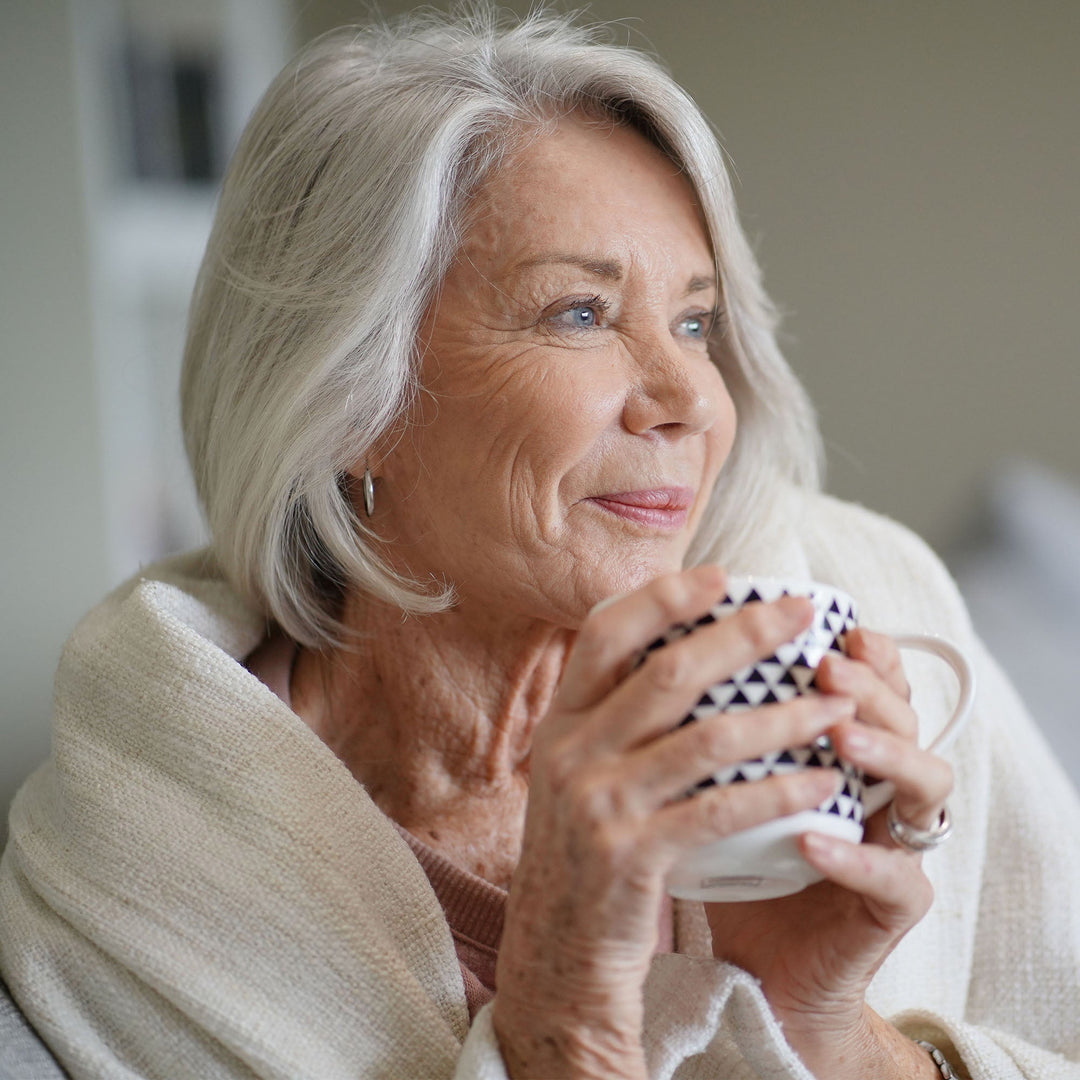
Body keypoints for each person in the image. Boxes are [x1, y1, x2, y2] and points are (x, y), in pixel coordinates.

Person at [1, 8, 1078, 1079]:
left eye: (696, 323)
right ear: (351, 405)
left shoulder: (877, 602)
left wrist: (834, 1032)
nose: (689, 401)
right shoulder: (126, 870)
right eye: (579, 313)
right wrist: (564, 1026)